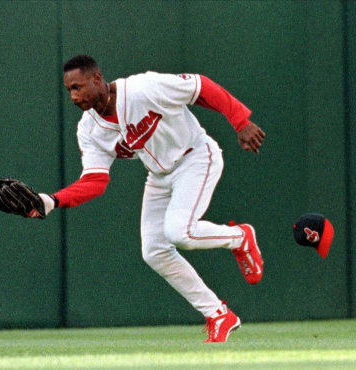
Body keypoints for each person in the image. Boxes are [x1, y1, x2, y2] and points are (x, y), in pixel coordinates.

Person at [37, 55, 266, 342]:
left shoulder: (143, 88)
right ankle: (218, 313)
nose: (73, 96)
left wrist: (240, 121)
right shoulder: (88, 129)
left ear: (97, 79)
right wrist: (51, 201)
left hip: (195, 156)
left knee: (179, 231)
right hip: (159, 175)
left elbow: (200, 87)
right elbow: (95, 182)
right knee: (155, 251)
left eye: (78, 87)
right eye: (69, 89)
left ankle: (240, 237)